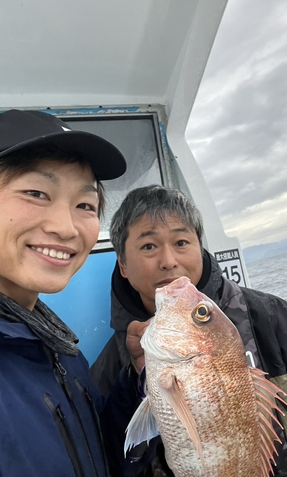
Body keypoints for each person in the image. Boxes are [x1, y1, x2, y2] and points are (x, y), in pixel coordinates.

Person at [91, 184, 287, 477]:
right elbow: (108, 461)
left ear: (199, 249)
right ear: (123, 264)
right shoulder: (114, 364)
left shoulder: (272, 318)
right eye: (148, 246)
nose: (169, 261)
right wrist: (133, 386)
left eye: (181, 242)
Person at [0, 109, 150, 477]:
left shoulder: (59, 349)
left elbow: (102, 459)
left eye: (85, 205)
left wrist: (139, 377)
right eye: (36, 193)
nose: (67, 228)